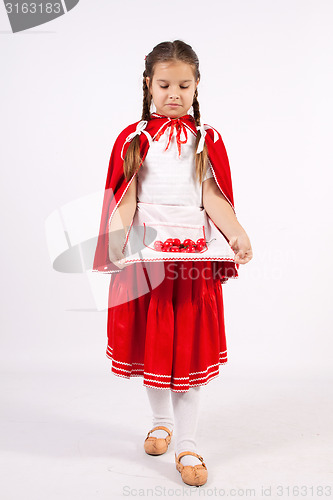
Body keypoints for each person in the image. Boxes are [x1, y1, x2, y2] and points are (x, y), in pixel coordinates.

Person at [93, 40, 253, 487]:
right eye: (164, 84)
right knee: (157, 348)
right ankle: (160, 422)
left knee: (188, 355)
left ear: (197, 86)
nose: (174, 94)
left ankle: (188, 444)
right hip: (149, 264)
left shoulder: (207, 139)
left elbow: (212, 197)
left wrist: (237, 231)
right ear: (148, 85)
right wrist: (115, 239)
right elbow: (125, 197)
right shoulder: (134, 139)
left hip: (192, 268)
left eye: (184, 85)